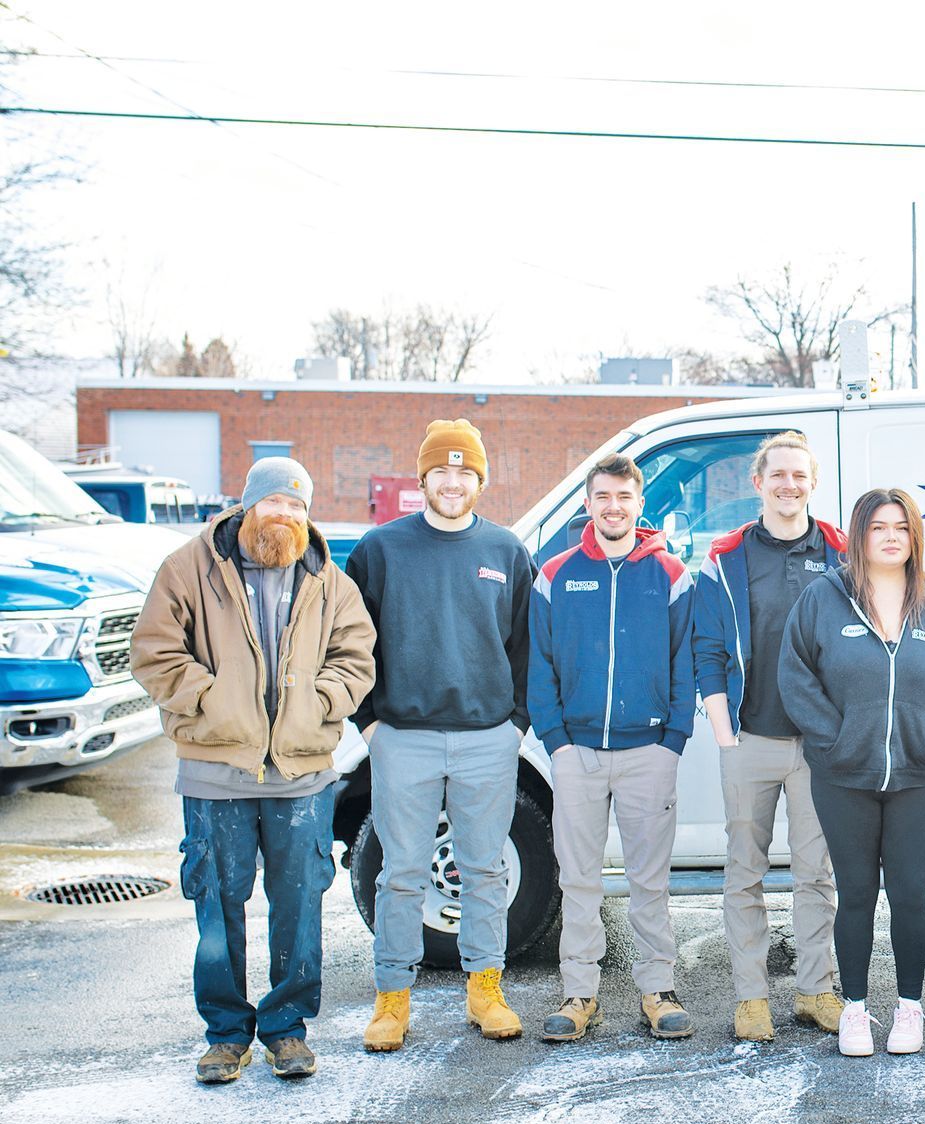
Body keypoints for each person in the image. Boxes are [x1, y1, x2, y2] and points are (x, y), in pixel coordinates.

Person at [131, 457, 375, 1083]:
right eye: (274, 503)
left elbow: (357, 656)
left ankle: (287, 1030)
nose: (286, 515)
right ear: (247, 505)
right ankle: (225, 1033)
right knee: (217, 903)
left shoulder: (328, 579)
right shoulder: (188, 568)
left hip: (301, 773)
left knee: (298, 902)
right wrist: (210, 700)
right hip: (216, 768)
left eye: (297, 506)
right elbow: (154, 651)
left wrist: (322, 703)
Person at [346, 419, 534, 1052]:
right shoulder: (381, 550)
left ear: (480, 479)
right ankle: (392, 999)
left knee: (484, 869)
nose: (453, 483)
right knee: (401, 872)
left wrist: (515, 724)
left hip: (487, 738)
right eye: (441, 471)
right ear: (422, 476)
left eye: (466, 472)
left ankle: (486, 989)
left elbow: (525, 647)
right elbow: (351, 643)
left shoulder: (506, 552)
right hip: (405, 737)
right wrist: (369, 721)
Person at [778, 488, 925, 1057]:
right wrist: (836, 738)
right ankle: (854, 1010)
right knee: (856, 894)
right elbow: (796, 677)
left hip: (916, 776)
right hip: (843, 776)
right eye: (878, 527)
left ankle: (910, 1009)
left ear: (914, 536)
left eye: (901, 527)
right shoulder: (824, 599)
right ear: (859, 536)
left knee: (911, 893)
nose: (891, 536)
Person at [529, 454, 695, 1042]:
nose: (613, 507)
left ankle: (657, 989)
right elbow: (539, 664)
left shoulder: (670, 575)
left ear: (639, 503)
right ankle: (580, 994)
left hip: (650, 749)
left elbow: (685, 662)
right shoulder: (556, 574)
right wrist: (556, 741)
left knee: (650, 879)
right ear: (588, 503)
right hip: (576, 751)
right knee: (579, 878)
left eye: (624, 496)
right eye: (603, 496)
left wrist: (673, 739)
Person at [693, 431, 849, 1043]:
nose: (789, 484)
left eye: (800, 475)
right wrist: (722, 732)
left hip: (819, 746)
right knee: (744, 873)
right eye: (777, 474)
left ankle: (816, 990)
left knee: (817, 874)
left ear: (813, 483)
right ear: (758, 483)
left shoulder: (841, 552)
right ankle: (751, 997)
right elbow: (706, 647)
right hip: (749, 739)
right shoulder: (727, 556)